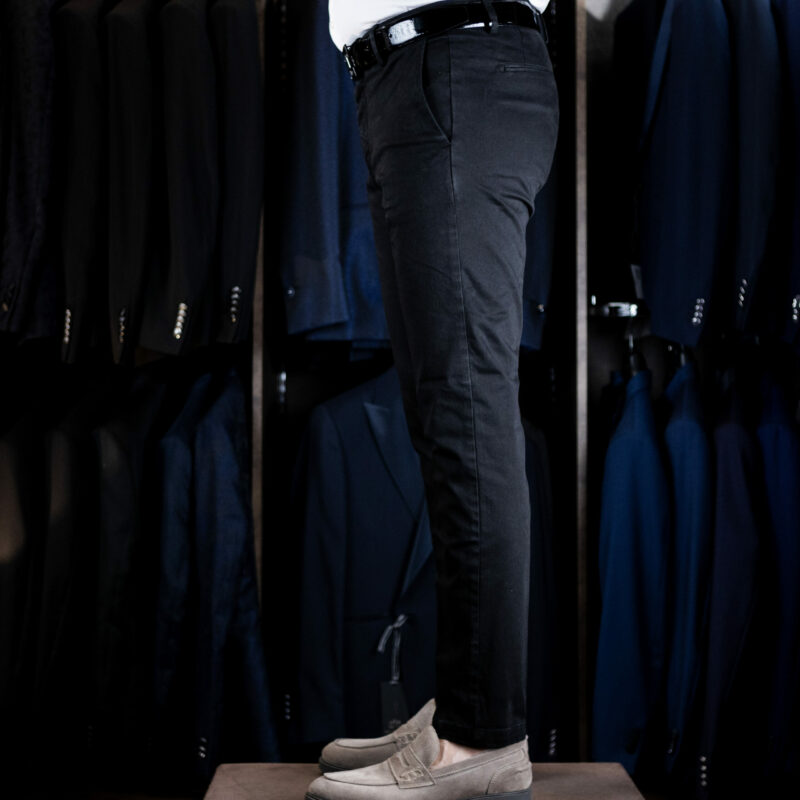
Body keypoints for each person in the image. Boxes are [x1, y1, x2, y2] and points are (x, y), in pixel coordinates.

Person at [306, 2, 558, 799]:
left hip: (453, 63)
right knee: (442, 420)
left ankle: (484, 739)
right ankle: (464, 711)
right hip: (409, 78)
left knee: (467, 421)